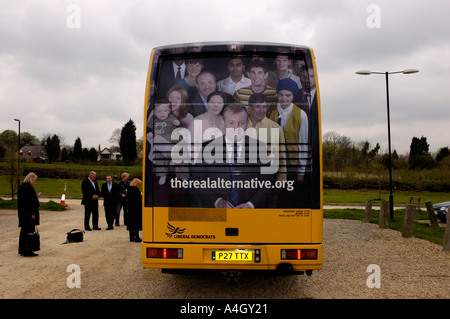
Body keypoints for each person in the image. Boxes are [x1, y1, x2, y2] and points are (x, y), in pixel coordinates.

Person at [191, 104, 276, 208]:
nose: (236, 128)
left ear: (247, 124)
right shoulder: (206, 148)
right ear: (223, 123)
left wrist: (251, 205)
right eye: (231, 123)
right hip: (216, 213)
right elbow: (197, 180)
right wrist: (217, 201)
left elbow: (269, 183)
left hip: (250, 214)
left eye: (241, 123)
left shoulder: (260, 148)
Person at [268, 78, 309, 183]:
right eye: (281, 95)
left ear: (293, 96)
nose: (284, 98)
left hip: (291, 162)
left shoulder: (301, 115)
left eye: (288, 95)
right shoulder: (270, 110)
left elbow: (303, 143)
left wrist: (301, 171)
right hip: (271, 160)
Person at [148, 99, 182, 185]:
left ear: (169, 111)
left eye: (165, 111)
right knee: (159, 160)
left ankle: (173, 159)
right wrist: (150, 132)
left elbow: (180, 128)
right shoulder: (153, 119)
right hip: (159, 144)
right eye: (159, 111)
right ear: (155, 112)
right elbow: (148, 127)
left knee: (175, 150)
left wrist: (178, 124)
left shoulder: (172, 118)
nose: (162, 113)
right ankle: (162, 175)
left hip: (170, 142)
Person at [17, 172, 40, 257]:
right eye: (34, 180)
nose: (34, 182)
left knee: (24, 231)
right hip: (29, 214)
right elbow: (31, 202)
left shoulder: (21, 187)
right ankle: (28, 249)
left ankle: (22, 249)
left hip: (23, 213)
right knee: (29, 231)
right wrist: (33, 213)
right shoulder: (29, 188)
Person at [127, 178, 142, 242]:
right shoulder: (136, 190)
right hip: (136, 209)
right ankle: (137, 236)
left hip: (130, 208)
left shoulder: (129, 189)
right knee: (136, 223)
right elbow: (138, 200)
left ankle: (131, 236)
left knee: (131, 223)